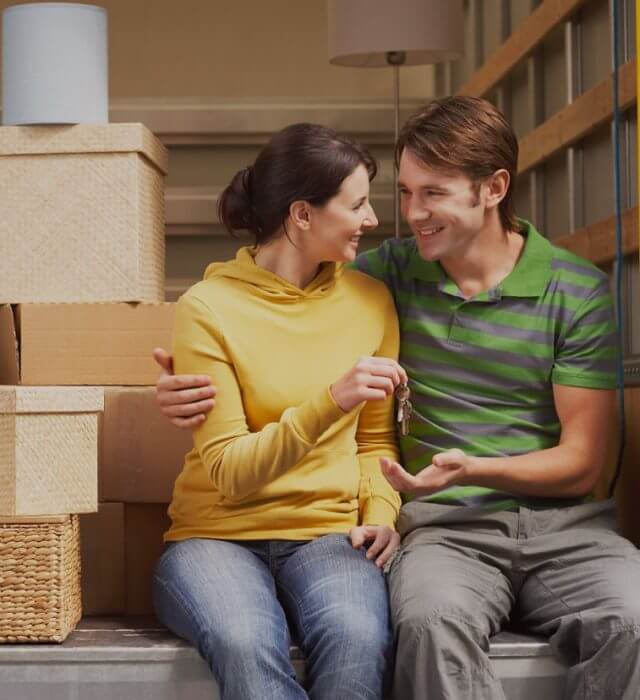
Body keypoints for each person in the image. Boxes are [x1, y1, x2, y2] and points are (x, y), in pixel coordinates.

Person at [154, 97, 640, 700]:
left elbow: (584, 461)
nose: (406, 215)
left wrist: (458, 475)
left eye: (430, 194)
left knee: (633, 622)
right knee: (424, 626)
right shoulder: (382, 278)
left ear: (494, 188)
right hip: (442, 530)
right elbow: (272, 292)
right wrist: (175, 382)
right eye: (402, 193)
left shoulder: (572, 293)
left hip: (553, 528)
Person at [152, 122, 406, 700]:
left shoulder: (371, 303)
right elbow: (231, 474)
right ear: (302, 215)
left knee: (358, 637)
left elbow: (373, 443)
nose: (371, 220)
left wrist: (382, 511)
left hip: (329, 535)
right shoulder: (208, 308)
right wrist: (330, 400)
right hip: (213, 538)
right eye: (358, 203)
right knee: (245, 642)